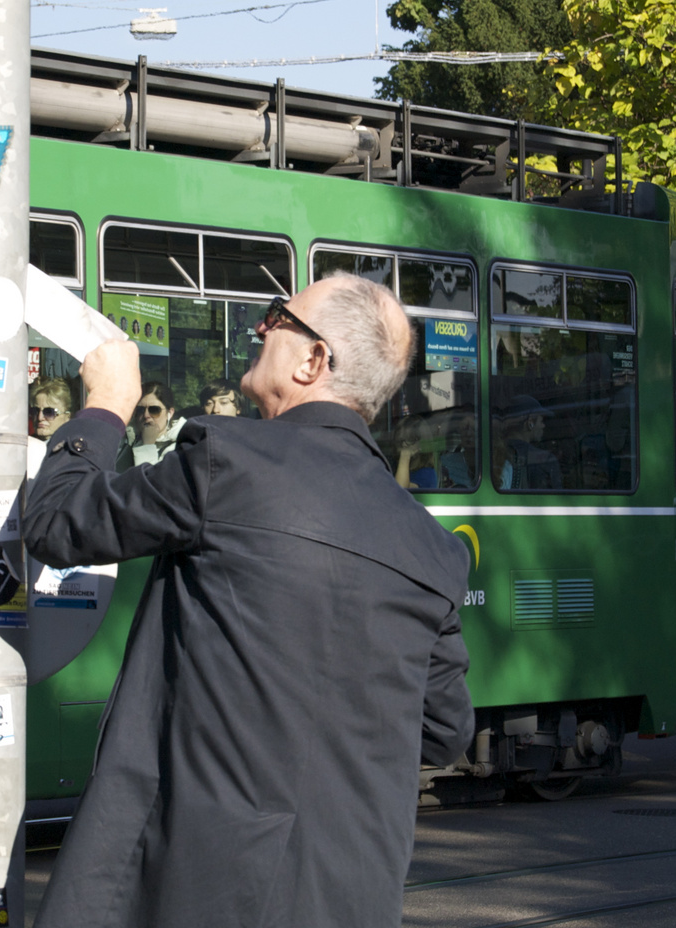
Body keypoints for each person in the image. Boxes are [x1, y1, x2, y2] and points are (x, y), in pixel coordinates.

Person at [24, 275, 473, 928]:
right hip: (354, 894)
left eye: (276, 318)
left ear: (312, 361)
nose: (259, 330)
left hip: (199, 885)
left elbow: (59, 521)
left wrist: (106, 403)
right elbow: (443, 730)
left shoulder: (226, 463)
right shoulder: (431, 547)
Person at [496, 393, 563, 490]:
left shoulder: (495, 454)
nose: (543, 426)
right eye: (541, 421)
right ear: (530, 422)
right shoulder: (546, 460)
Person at [127, 380, 184, 465]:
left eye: (154, 410)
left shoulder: (179, 447)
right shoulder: (126, 441)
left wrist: (147, 446)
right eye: (140, 410)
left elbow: (148, 477)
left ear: (170, 413)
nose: (146, 415)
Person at [394, 413, 439, 490]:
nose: (404, 445)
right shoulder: (393, 466)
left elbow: (400, 492)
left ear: (422, 444)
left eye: (410, 439)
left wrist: (405, 456)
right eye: (400, 440)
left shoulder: (426, 473)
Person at [30, 377, 73, 441]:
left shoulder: (71, 448)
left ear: (68, 417)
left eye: (49, 412)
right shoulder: (26, 446)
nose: (40, 417)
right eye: (35, 411)